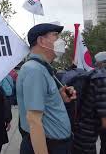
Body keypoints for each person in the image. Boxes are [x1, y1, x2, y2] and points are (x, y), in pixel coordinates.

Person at [17, 23, 76, 154]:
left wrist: (59, 97)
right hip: (49, 146)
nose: (61, 41)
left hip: (56, 145)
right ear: (41, 41)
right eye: (55, 35)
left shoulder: (43, 68)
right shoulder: (34, 70)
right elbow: (34, 120)